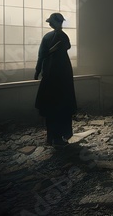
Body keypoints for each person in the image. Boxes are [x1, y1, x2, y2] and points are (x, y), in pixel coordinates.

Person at [34, 12, 77, 146]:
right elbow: (67, 46)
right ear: (60, 22)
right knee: (62, 105)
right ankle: (61, 136)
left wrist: (37, 71)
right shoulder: (62, 36)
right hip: (62, 75)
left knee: (51, 105)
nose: (50, 24)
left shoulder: (47, 37)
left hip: (50, 74)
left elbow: (41, 55)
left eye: (51, 22)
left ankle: (51, 137)